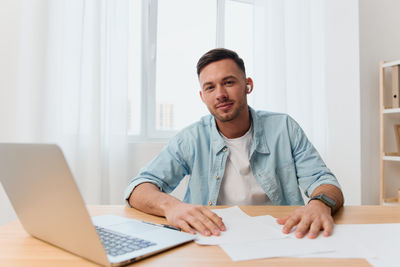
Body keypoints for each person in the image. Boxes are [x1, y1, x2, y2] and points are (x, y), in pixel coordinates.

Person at [124, 48, 344, 239]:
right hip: (212, 238)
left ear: (248, 85)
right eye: (210, 87)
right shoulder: (191, 138)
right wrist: (172, 207)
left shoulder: (284, 128)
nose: (220, 94)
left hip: (282, 234)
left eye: (228, 82)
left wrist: (319, 203)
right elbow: (139, 187)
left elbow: (324, 181)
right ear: (202, 96)